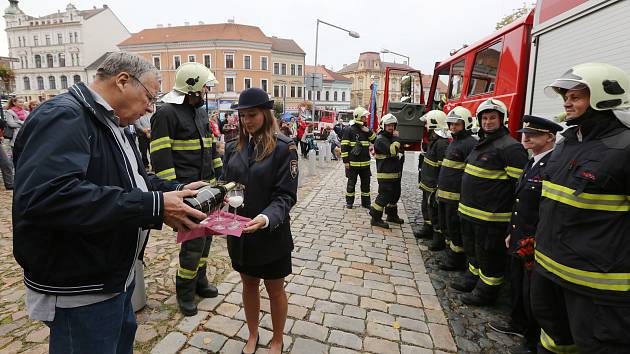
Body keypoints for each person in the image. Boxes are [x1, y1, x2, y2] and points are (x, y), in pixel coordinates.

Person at [11, 52, 208, 354]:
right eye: (149, 97)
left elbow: (134, 181)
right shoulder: (65, 115)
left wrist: (178, 190)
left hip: (113, 277)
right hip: (81, 288)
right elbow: (49, 198)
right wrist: (154, 206)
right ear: (123, 81)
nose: (150, 108)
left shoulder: (111, 121)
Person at [531, 63, 630, 353]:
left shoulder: (625, 148)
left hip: (598, 289)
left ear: (604, 97)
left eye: (576, 97)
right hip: (549, 272)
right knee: (553, 342)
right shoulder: (567, 143)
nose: (567, 102)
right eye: (566, 96)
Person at [222, 87, 298, 354]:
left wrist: (266, 218)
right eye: (243, 116)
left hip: (270, 233)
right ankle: (253, 334)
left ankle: (277, 339)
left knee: (275, 290)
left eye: (252, 115)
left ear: (266, 114)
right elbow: (225, 186)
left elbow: (285, 196)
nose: (246, 121)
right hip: (239, 232)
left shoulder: (283, 148)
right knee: (248, 285)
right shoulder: (233, 147)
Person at [150, 62, 223, 316]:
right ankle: (185, 291)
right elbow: (161, 157)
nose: (206, 93)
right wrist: (174, 190)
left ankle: (200, 282)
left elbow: (210, 147)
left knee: (206, 240)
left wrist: (219, 175)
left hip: (207, 188)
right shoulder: (166, 114)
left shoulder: (200, 112)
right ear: (190, 88)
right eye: (203, 89)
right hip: (187, 191)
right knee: (192, 244)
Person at [485, 115, 562, 354]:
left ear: (550, 137)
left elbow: (547, 209)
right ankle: (517, 323)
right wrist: (512, 232)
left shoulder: (552, 165)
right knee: (518, 284)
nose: (526, 137)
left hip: (536, 239)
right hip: (521, 236)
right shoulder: (533, 162)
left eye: (533, 134)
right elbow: (519, 202)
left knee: (534, 295)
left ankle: (532, 339)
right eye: (525, 132)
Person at [452, 98, 528, 306]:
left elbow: (519, 188)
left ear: (502, 120)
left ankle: (486, 292)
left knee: (489, 255)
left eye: (492, 118)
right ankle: (472, 279)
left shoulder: (510, 148)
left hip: (491, 217)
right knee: (473, 251)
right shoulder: (481, 143)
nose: (487, 122)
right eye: (484, 118)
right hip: (470, 213)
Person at [436, 107, 477, 271]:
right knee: (447, 228)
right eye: (451, 124)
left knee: (455, 230)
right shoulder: (455, 142)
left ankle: (456, 261)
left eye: (457, 124)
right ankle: (450, 255)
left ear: (465, 124)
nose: (453, 127)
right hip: (446, 196)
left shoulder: (470, 144)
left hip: (456, 198)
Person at [416, 110, 450, 251]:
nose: (425, 126)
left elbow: (443, 168)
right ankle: (427, 228)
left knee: (435, 212)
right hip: (427, 184)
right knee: (427, 207)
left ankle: (438, 239)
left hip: (434, 186)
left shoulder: (442, 144)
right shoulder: (434, 141)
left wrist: (438, 186)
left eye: (428, 123)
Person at [369, 113, 405, 228]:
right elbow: (393, 150)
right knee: (384, 196)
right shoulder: (381, 139)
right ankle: (375, 217)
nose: (391, 128)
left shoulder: (390, 138)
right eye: (388, 125)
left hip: (395, 173)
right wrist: (397, 138)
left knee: (395, 195)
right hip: (386, 174)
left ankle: (392, 215)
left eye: (393, 125)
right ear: (383, 126)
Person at [341, 106, 377, 209]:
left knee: (366, 185)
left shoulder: (366, 130)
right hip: (353, 164)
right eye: (364, 117)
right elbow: (344, 146)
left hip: (365, 164)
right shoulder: (349, 130)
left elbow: (375, 141)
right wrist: (346, 162)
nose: (366, 118)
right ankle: (349, 202)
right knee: (351, 184)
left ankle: (366, 203)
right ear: (358, 117)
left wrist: (369, 132)